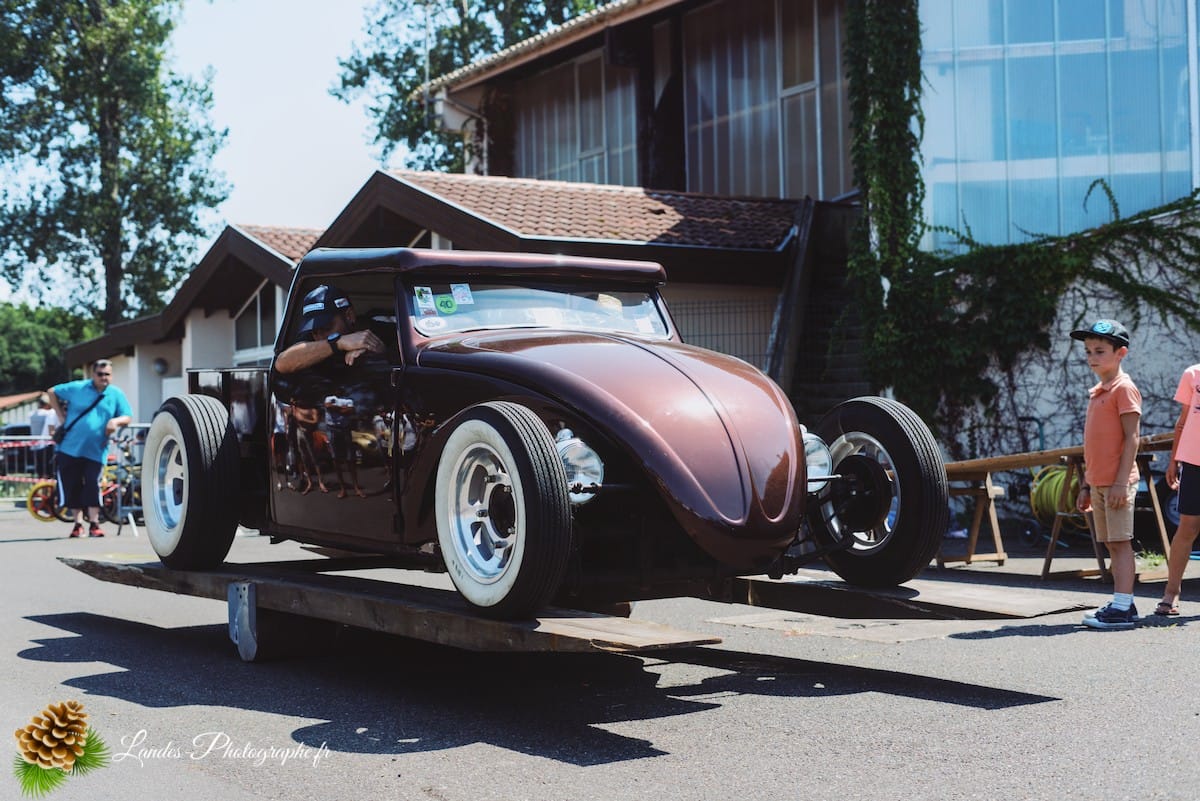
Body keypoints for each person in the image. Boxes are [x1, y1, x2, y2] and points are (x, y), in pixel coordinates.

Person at [1070, 320, 1142, 630]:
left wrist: (1118, 483)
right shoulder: (1098, 392)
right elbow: (1093, 444)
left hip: (1117, 484)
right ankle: (1123, 601)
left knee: (1121, 543)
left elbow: (1132, 438)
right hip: (1098, 483)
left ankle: (1122, 608)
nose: (1092, 357)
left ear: (1120, 352)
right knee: (1111, 543)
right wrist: (1086, 484)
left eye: (1100, 351)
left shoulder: (1124, 388)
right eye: (1088, 352)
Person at [47, 360, 133, 538]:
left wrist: (115, 421)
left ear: (111, 375)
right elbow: (52, 391)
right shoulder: (78, 388)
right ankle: (77, 524)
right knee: (72, 485)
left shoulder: (115, 393)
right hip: (69, 447)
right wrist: (60, 415)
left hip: (96, 449)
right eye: (100, 374)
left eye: (107, 374)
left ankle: (94, 523)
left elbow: (127, 416)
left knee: (93, 485)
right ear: (93, 375)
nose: (103, 377)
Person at [1153, 362, 1200, 616]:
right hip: (1194, 463)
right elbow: (1183, 422)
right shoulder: (1193, 374)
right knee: (1188, 527)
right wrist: (1174, 460)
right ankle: (1171, 592)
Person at [275, 284, 384, 375]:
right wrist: (337, 343)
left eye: (327, 328)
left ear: (349, 316)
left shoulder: (381, 330)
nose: (321, 336)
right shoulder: (313, 339)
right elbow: (281, 363)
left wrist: (377, 352)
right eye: (315, 331)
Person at [28, 393, 57, 478]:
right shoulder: (49, 414)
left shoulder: (31, 414)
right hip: (45, 445)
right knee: (48, 472)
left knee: (40, 472)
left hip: (34, 446)